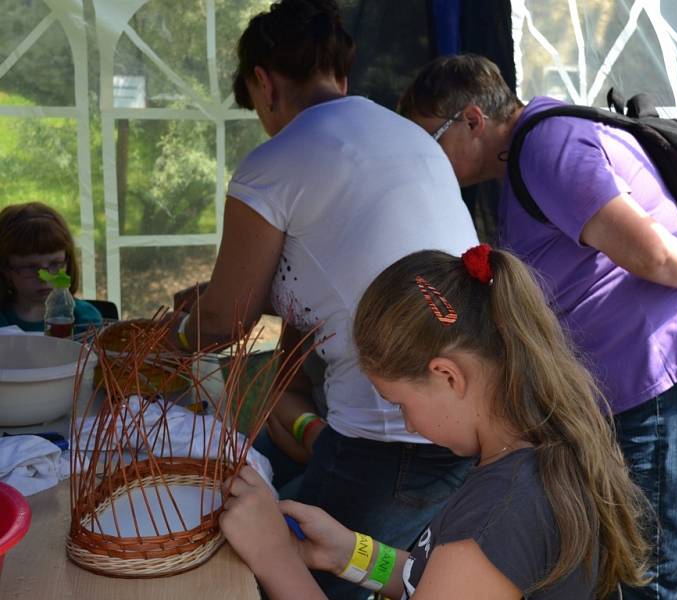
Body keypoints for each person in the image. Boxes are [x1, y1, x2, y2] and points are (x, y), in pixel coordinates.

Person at [396, 54, 677, 600]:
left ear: (471, 120)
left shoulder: (545, 147)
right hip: (633, 385)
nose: (425, 160)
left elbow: (650, 252)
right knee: (628, 565)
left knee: (651, 575)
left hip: (659, 376)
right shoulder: (529, 156)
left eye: (429, 140)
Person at [172, 2, 479, 597]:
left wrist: (174, 331)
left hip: (389, 442)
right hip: (464, 423)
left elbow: (223, 321)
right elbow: (324, 285)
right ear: (341, 71)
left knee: (252, 569)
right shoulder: (411, 141)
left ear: (263, 82)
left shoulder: (277, 160)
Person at [219, 245, 650, 599]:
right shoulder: (532, 455)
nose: (404, 422)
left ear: (447, 375)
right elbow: (450, 578)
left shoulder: (501, 512)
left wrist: (275, 558)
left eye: (398, 404)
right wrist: (350, 554)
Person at [0, 202, 102, 333]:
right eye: (30, 266)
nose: (45, 279)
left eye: (55, 264)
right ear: (5, 269)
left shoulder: (86, 319)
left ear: (67, 261)